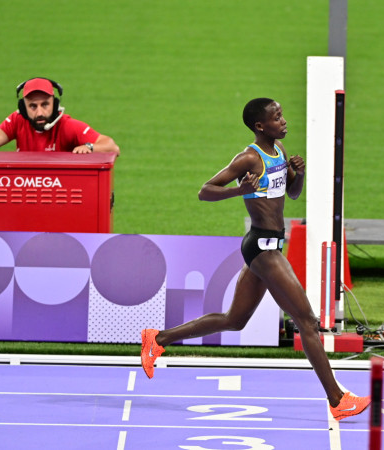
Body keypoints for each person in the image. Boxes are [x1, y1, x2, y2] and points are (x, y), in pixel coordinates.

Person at [140, 98, 370, 421]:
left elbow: (290, 195)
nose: (284, 121)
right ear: (260, 126)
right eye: (277, 118)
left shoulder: (279, 152)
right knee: (306, 321)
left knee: (234, 320)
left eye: (282, 115)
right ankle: (337, 399)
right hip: (263, 249)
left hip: (269, 244)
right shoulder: (248, 158)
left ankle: (158, 338)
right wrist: (240, 192)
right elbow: (205, 191)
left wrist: (297, 175)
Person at [0, 77, 119, 154]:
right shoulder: (17, 120)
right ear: (23, 108)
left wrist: (89, 147)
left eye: (45, 105)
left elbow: (112, 147)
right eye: (33, 106)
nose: (40, 113)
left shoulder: (67, 126)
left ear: (54, 104)